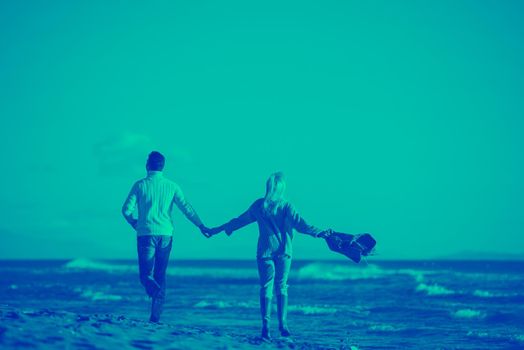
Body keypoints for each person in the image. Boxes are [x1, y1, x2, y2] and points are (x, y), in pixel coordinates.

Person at [205, 172, 331, 341]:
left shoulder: (259, 206)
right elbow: (301, 225)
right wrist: (320, 233)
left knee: (266, 287)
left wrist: (219, 229)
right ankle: (283, 324)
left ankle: (266, 326)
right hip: (284, 251)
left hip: (265, 251)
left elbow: (239, 221)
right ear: (282, 188)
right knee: (282, 286)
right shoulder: (286, 206)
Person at [122, 151, 209, 323]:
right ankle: (155, 316)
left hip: (146, 234)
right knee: (160, 275)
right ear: (163, 167)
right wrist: (200, 225)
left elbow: (126, 210)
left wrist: (134, 223)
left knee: (146, 276)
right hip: (166, 235)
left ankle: (155, 293)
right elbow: (186, 208)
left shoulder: (140, 185)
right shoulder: (172, 186)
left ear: (147, 166)